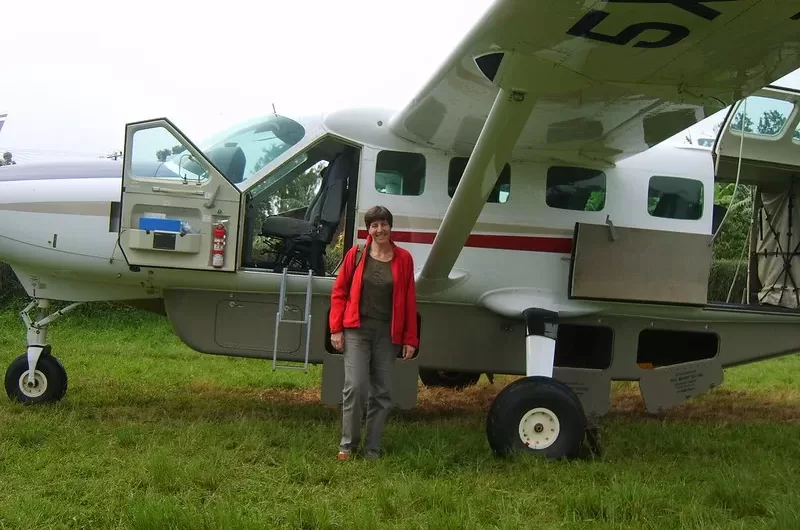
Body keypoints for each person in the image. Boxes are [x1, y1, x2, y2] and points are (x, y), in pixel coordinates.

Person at [329, 205, 418, 460]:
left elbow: (410, 299)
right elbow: (339, 292)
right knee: (355, 387)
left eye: (384, 224)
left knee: (383, 392)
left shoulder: (404, 259)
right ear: (368, 229)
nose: (380, 229)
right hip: (357, 329)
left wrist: (410, 338)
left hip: (387, 334)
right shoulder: (356, 254)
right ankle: (348, 445)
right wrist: (336, 329)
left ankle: (373, 448)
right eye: (374, 225)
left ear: (391, 227)